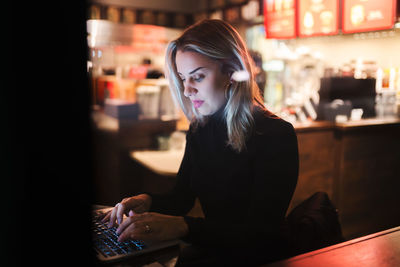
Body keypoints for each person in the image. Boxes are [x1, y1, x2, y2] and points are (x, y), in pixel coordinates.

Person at [101, 19, 299, 266]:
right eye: (183, 78)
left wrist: (184, 227)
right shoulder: (200, 129)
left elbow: (259, 233)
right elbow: (181, 198)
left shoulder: (276, 135)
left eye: (198, 77)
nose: (186, 90)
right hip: (217, 251)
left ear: (232, 71)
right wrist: (146, 201)